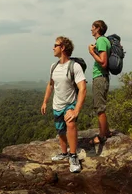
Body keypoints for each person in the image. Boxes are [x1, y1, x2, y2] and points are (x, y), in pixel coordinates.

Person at [41, 36, 86, 173]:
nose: (53, 48)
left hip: (69, 103)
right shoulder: (53, 66)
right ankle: (64, 153)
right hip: (57, 105)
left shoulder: (74, 66)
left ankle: (73, 156)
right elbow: (51, 85)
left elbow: (83, 88)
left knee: (70, 123)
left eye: (56, 45)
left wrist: (76, 110)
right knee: (60, 130)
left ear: (63, 48)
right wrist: (45, 102)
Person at [89, 20, 112, 145]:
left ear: (98, 28)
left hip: (100, 77)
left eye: (92, 27)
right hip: (103, 77)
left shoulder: (101, 41)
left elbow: (103, 62)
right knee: (101, 107)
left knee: (100, 109)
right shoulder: (104, 41)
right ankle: (106, 131)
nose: (91, 30)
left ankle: (102, 136)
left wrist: (92, 52)